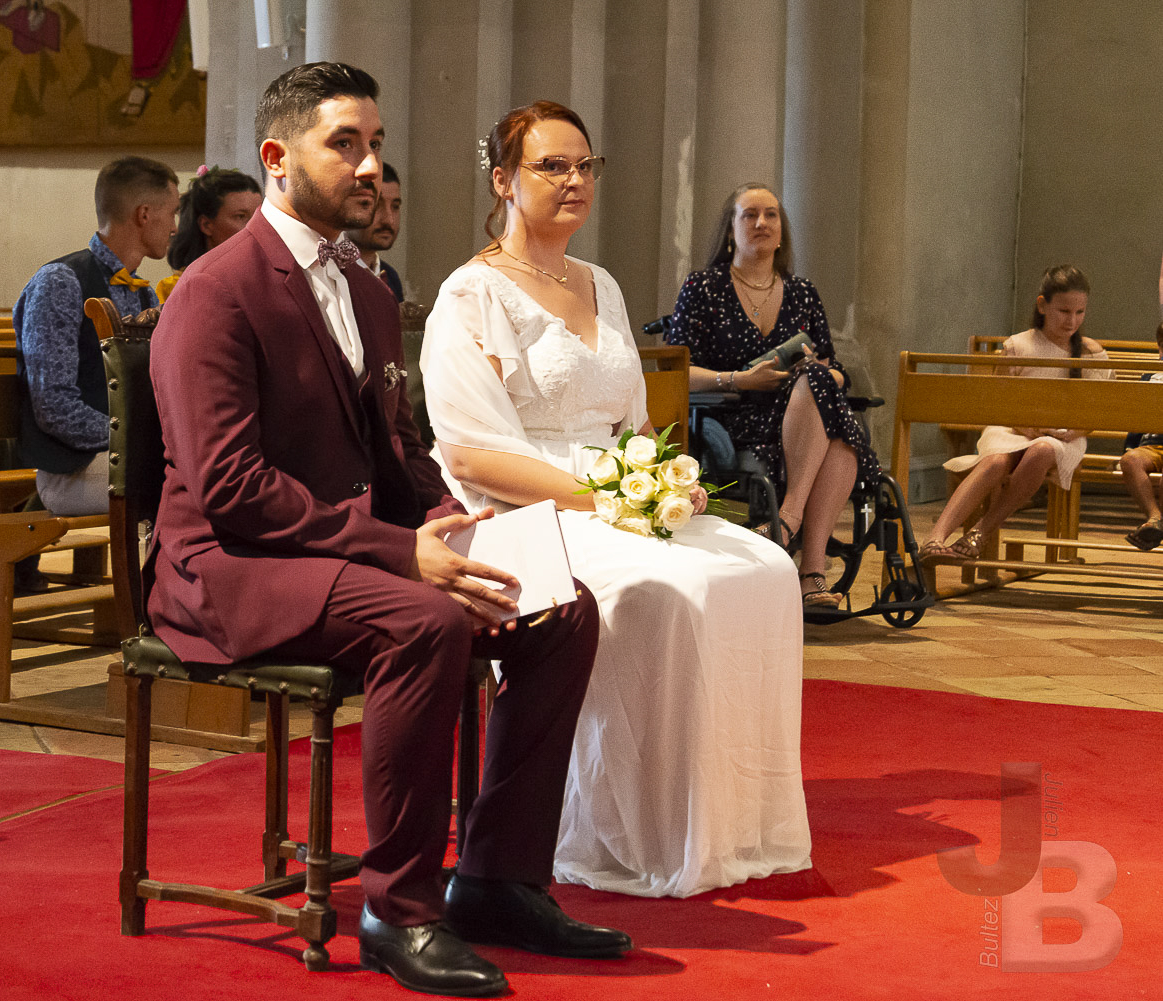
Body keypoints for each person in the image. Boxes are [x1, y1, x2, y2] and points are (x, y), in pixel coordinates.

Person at [149, 63, 627, 997]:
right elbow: (231, 487)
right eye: (345, 144)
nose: (370, 165)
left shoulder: (366, 292)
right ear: (276, 158)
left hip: (330, 549)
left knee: (560, 609)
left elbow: (400, 453)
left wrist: (454, 523)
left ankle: (495, 876)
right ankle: (398, 909)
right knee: (427, 622)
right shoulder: (217, 291)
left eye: (375, 144)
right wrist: (402, 551)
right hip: (228, 565)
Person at [421, 101, 810, 900]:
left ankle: (722, 821)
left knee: (765, 565)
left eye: (584, 166)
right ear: (502, 181)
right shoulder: (471, 295)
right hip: (519, 513)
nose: (574, 181)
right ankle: (627, 831)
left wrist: (669, 477)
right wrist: (604, 496)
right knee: (677, 588)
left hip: (615, 494)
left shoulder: (600, 283)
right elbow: (470, 452)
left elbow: (635, 421)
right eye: (551, 166)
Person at [666, 183, 880, 609]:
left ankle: (787, 520)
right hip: (732, 416)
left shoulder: (803, 292)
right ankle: (811, 573)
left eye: (771, 215)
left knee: (823, 391)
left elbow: (835, 366)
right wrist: (738, 380)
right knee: (842, 436)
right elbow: (677, 373)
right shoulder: (703, 286)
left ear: (782, 232)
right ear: (731, 230)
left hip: (805, 415)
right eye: (749, 215)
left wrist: (823, 374)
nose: (761, 223)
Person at [15, 156, 178, 517]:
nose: (174, 227)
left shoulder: (144, 294)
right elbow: (53, 406)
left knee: (206, 471)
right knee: (187, 484)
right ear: (145, 214)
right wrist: (135, 439)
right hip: (69, 470)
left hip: (121, 457)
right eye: (172, 212)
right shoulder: (60, 281)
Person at [921, 265, 1110, 559]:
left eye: (1079, 312)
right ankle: (934, 540)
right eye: (1063, 311)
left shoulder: (1090, 352)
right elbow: (999, 402)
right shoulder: (1019, 345)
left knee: (1043, 450)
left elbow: (1096, 412)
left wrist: (1073, 430)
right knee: (995, 462)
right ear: (1042, 305)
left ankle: (981, 532)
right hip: (1011, 429)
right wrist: (1022, 425)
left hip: (1063, 438)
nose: (1072, 321)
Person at [158, 166, 262, 301]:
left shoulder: (265, 282)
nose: (255, 226)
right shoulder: (175, 288)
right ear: (206, 225)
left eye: (259, 216)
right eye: (240, 217)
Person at [1119, 324, 1163, 551]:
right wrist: (1128, 449)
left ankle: (1156, 529)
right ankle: (1155, 518)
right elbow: (1136, 420)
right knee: (1129, 461)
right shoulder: (1150, 376)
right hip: (1152, 444)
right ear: (1160, 348)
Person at [346, 161, 404, 301]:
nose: (389, 220)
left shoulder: (390, 276)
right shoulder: (333, 273)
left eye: (395, 207)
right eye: (377, 205)